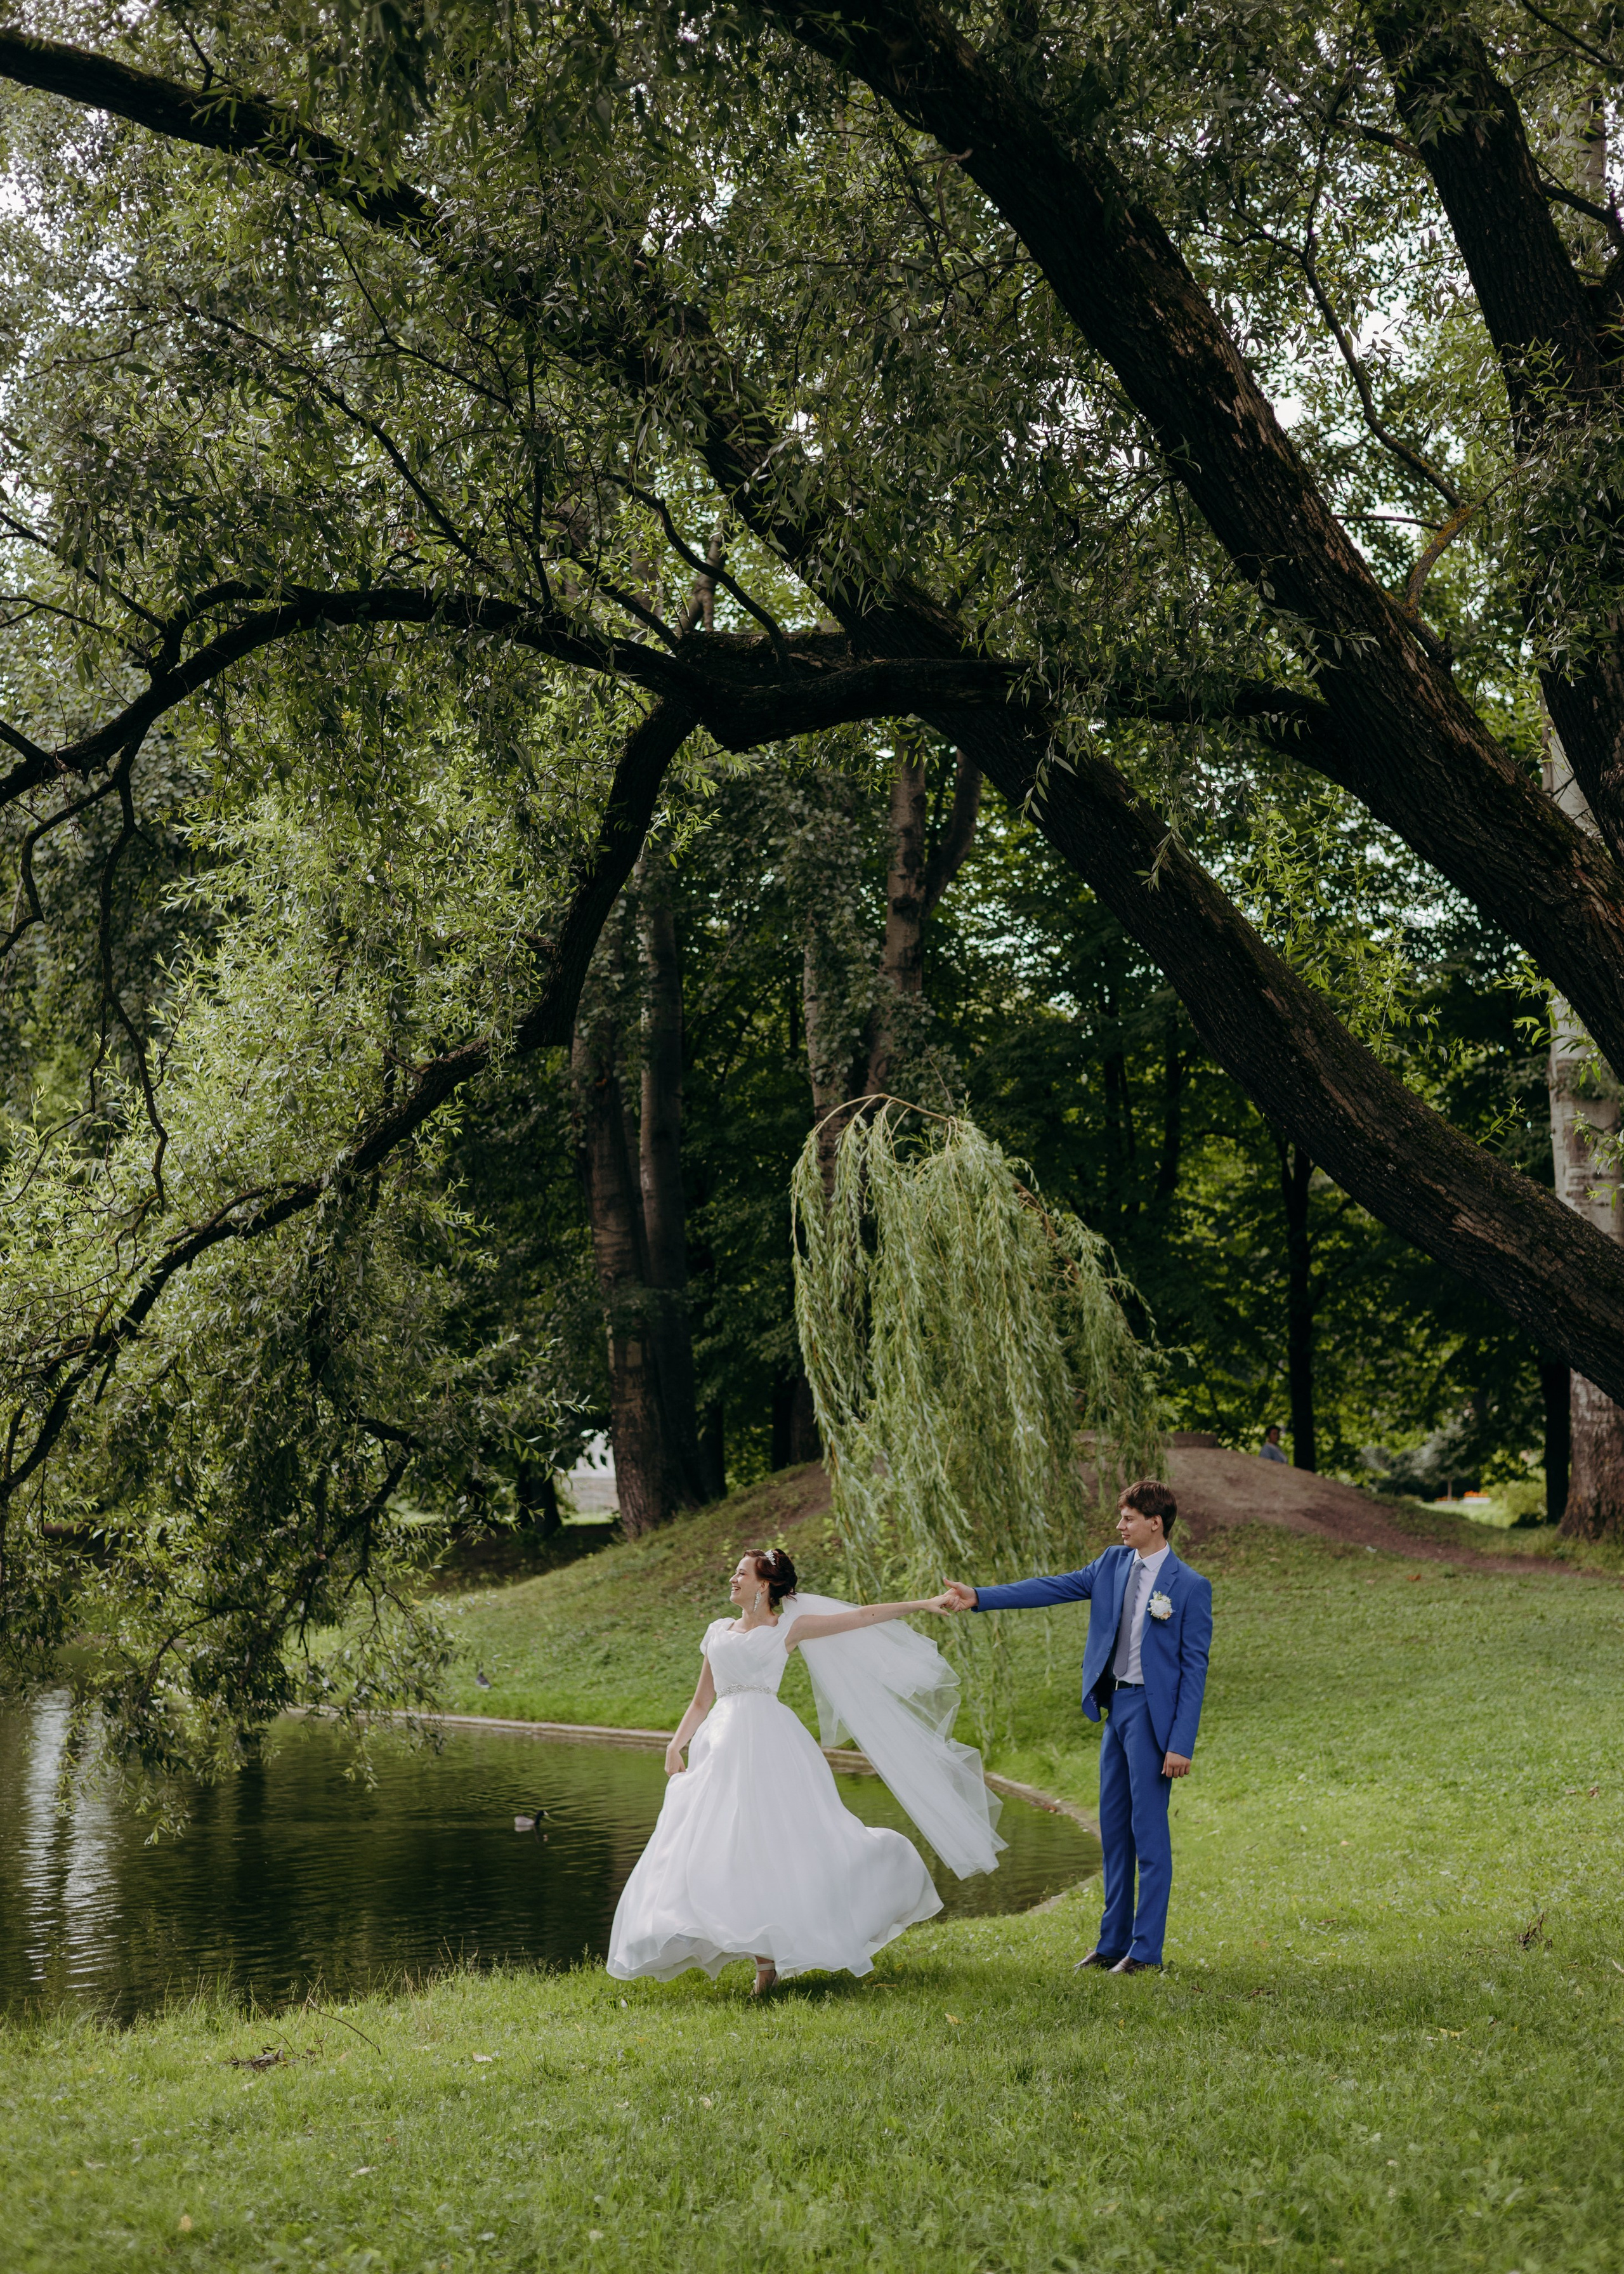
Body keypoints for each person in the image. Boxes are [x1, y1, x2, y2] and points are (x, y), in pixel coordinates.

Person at [607, 1546, 1004, 1996]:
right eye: (734, 1573)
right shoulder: (717, 1632)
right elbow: (702, 1701)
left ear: (765, 1584)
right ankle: (744, 1944)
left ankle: (771, 1962)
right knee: (714, 1841)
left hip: (771, 1745)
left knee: (776, 1842)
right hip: (720, 1747)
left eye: (741, 1574)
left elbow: (862, 1617)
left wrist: (920, 1604)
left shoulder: (789, 1628)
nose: (732, 1580)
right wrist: (675, 1744)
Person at [943, 1478, 1212, 1975]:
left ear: (1155, 1522)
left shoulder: (1190, 1587)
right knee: (1114, 1831)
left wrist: (1180, 1744)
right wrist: (979, 1596)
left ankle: (1146, 1953)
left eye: (1128, 1518)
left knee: (1148, 1838)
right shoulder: (1110, 1564)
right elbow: (1050, 1588)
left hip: (1154, 1724)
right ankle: (1112, 1944)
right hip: (1115, 1712)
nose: (1119, 1525)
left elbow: (1194, 1671)